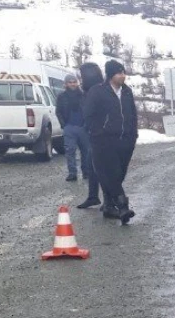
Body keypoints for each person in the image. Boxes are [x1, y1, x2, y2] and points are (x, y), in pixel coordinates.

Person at [84, 60, 137, 224]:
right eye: (119, 73)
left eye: (123, 72)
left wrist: (133, 134)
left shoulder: (127, 92)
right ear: (111, 75)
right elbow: (88, 114)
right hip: (105, 140)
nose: (123, 76)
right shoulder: (98, 92)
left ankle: (108, 205)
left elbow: (133, 114)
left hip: (125, 140)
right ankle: (122, 206)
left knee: (120, 173)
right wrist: (98, 131)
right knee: (112, 173)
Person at [74, 62, 105, 209]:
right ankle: (93, 197)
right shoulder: (89, 90)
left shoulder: (97, 90)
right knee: (92, 165)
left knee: (103, 168)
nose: (80, 79)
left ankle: (109, 201)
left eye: (82, 76)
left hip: (102, 134)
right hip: (93, 133)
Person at [55, 73, 93, 184]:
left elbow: (89, 110)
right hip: (69, 128)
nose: (72, 84)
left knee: (86, 151)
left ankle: (86, 172)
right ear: (66, 84)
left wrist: (87, 124)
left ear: (77, 83)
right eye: (70, 82)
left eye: (74, 82)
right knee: (70, 151)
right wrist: (64, 125)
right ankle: (72, 173)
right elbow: (58, 111)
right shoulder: (61, 97)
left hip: (83, 128)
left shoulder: (84, 95)